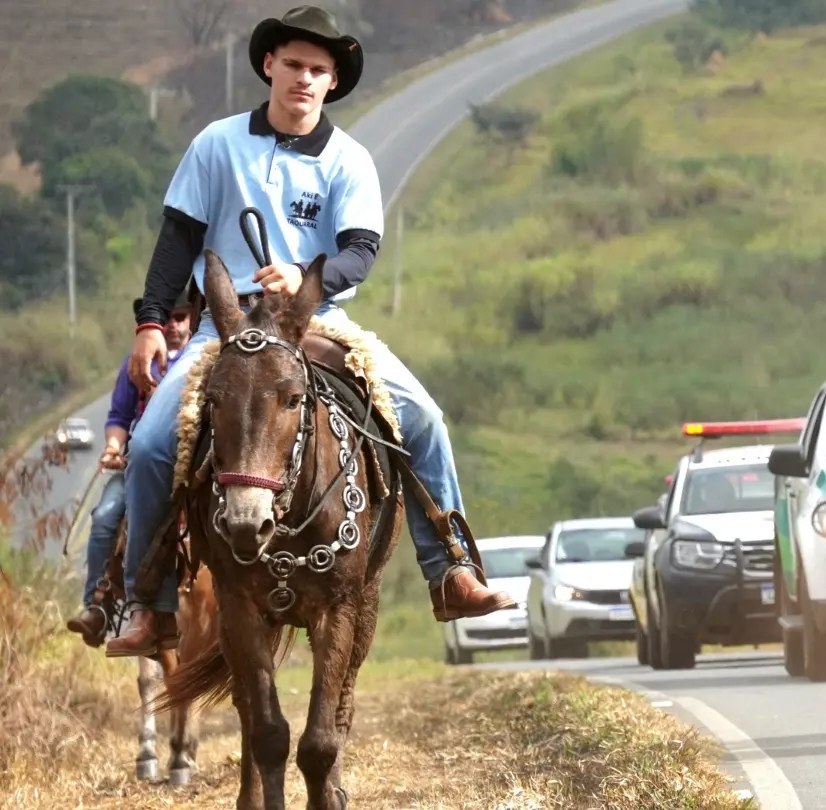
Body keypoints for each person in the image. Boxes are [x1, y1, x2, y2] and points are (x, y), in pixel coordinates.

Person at [107, 6, 513, 658]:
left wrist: (302, 275)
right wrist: (151, 323)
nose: (304, 78)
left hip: (318, 320)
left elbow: (359, 250)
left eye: (318, 70)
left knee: (426, 420)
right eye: (294, 64)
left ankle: (452, 571)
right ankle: (146, 605)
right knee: (154, 446)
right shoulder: (216, 144)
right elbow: (177, 239)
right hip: (225, 323)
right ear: (269, 64)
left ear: (331, 82)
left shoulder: (348, 159)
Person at [66, 295, 193, 647]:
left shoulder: (204, 361)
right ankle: (98, 606)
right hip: (138, 464)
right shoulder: (136, 364)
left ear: (193, 319)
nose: (173, 325)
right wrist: (112, 447)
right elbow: (119, 418)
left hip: (196, 466)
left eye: (181, 317)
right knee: (106, 515)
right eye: (167, 318)